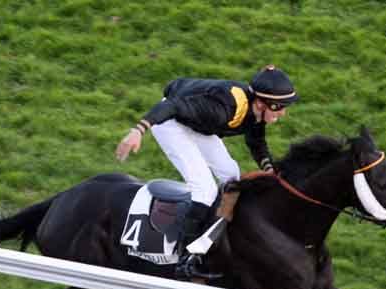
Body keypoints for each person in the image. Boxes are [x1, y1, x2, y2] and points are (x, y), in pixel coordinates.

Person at [114, 65, 299, 268]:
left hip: (198, 124)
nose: (283, 113)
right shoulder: (223, 109)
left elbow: (256, 142)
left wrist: (271, 172)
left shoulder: (253, 112)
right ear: (263, 104)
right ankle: (184, 254)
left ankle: (215, 231)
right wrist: (138, 130)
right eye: (280, 107)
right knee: (205, 190)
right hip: (171, 122)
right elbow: (173, 107)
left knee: (231, 176)